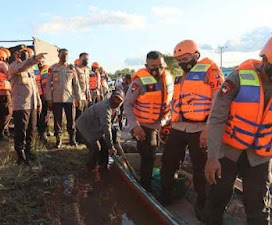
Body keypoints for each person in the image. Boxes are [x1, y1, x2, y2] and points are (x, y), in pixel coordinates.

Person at [204, 37, 272, 225]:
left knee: (258, 206)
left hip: (260, 154)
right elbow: (217, 117)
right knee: (218, 195)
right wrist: (212, 157)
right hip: (229, 148)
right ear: (265, 60)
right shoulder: (238, 77)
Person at [160, 40, 224, 219]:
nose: (182, 62)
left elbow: (218, 102)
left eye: (185, 58)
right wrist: (169, 122)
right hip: (179, 126)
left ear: (196, 55)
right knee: (168, 161)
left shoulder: (211, 70)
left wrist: (209, 128)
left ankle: (202, 204)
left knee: (200, 168)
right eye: (178, 59)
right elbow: (177, 102)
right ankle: (166, 196)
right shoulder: (181, 74)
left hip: (200, 128)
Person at [124, 51, 173, 192]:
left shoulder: (167, 79)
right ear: (146, 66)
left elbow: (171, 102)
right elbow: (127, 105)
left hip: (163, 123)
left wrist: (168, 121)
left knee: (167, 154)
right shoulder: (139, 82)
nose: (157, 70)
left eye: (160, 65)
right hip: (144, 126)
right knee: (148, 156)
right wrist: (135, 127)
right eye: (153, 66)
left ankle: (162, 183)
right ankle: (146, 187)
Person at [8, 44, 46, 165]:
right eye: (23, 52)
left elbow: (34, 87)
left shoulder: (30, 70)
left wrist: (39, 102)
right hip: (21, 105)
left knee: (31, 130)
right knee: (21, 131)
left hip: (32, 104)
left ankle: (28, 152)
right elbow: (22, 67)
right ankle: (20, 155)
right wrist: (34, 59)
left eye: (26, 52)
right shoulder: (14, 67)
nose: (26, 54)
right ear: (16, 54)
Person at [76, 90, 124, 169]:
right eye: (115, 98)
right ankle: (90, 168)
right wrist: (111, 146)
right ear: (111, 97)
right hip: (85, 126)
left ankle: (103, 166)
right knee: (96, 148)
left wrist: (115, 143)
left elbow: (113, 126)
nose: (116, 101)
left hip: (96, 126)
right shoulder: (105, 108)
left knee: (105, 146)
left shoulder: (117, 108)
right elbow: (107, 128)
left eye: (119, 100)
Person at [47, 48, 82, 148]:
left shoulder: (71, 68)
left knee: (71, 120)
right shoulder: (53, 68)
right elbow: (48, 84)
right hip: (56, 99)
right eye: (63, 54)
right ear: (58, 55)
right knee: (57, 121)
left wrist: (78, 98)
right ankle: (58, 140)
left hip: (69, 99)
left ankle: (72, 139)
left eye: (67, 54)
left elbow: (76, 85)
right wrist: (49, 98)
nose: (65, 56)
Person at [75, 52, 91, 143]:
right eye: (85, 59)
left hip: (85, 97)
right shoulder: (76, 70)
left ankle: (83, 137)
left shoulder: (86, 70)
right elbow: (74, 85)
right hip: (79, 97)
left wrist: (89, 95)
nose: (86, 61)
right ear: (80, 59)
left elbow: (87, 85)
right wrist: (76, 98)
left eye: (87, 59)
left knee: (85, 118)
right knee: (78, 118)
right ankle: (77, 138)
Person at [37, 62, 50, 143]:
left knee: (44, 115)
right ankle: (42, 133)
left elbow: (45, 83)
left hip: (43, 95)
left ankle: (43, 132)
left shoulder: (45, 69)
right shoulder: (35, 69)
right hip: (39, 95)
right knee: (42, 115)